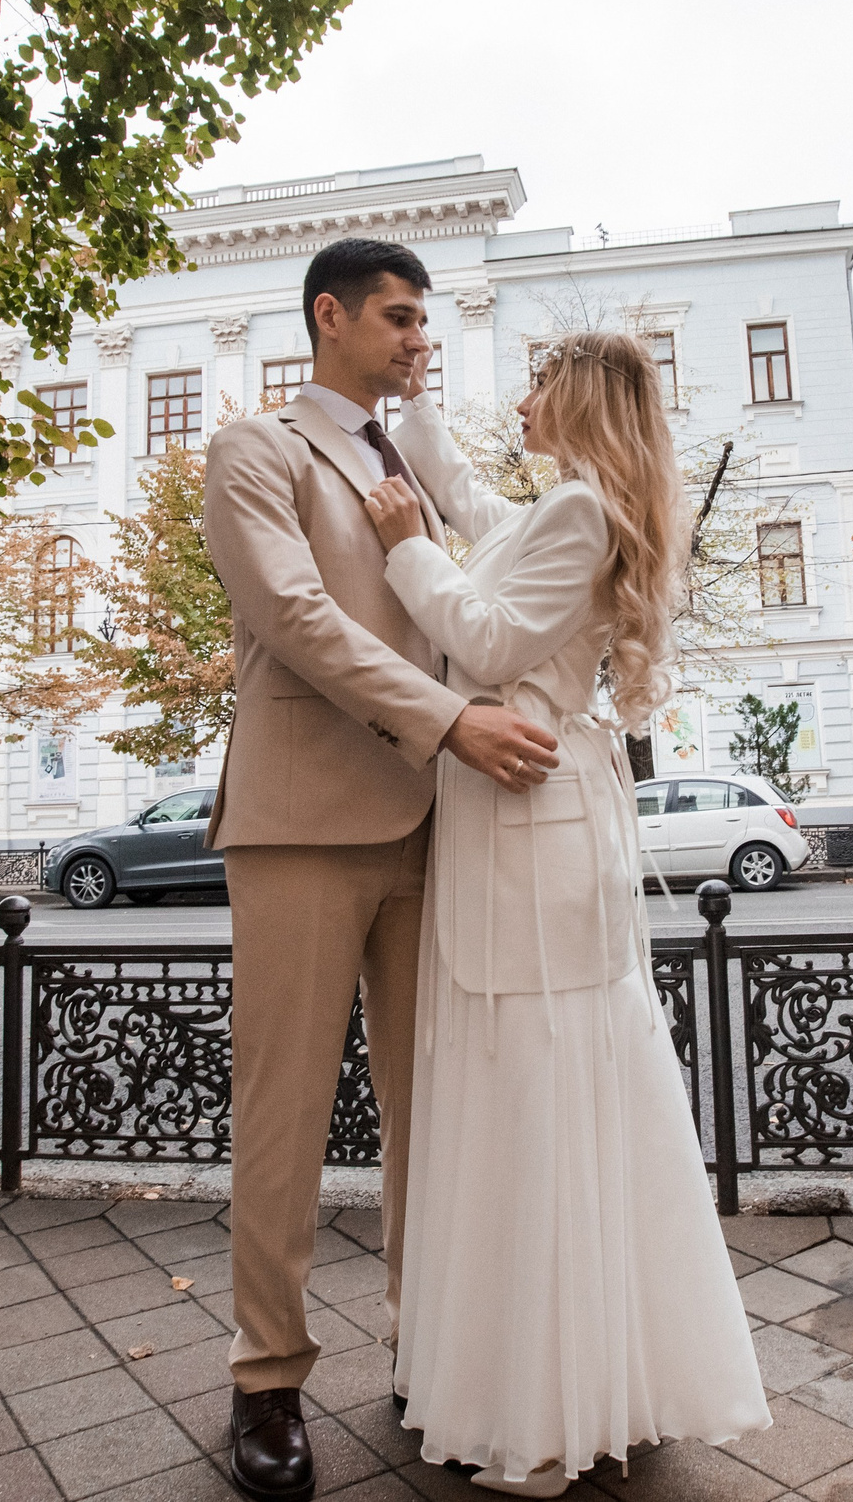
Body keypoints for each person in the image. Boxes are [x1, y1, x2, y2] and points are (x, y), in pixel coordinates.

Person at [363, 332, 770, 1496]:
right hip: (534, 815)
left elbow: (480, 638)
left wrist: (403, 551)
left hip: (528, 818)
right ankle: (582, 1374)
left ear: (578, 401)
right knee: (552, 1085)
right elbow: (485, 514)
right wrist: (420, 412)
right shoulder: (574, 511)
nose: (524, 401)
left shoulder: (581, 515)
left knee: (533, 1084)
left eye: (538, 385)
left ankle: (542, 1418)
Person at [201, 237, 561, 1502]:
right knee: (285, 1115)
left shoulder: (417, 463)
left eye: (423, 320)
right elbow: (298, 623)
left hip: (439, 825)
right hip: (302, 819)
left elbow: (485, 603)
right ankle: (266, 1382)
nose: (420, 338)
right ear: (330, 317)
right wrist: (452, 721)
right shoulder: (255, 450)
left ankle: (429, 1347)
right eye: (399, 318)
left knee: (434, 1116)